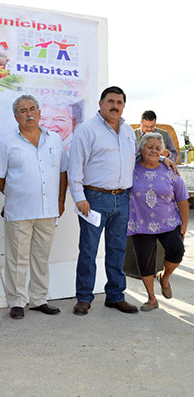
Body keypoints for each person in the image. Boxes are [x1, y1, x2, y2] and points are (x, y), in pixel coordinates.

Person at [0, 95, 68, 320]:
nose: (29, 114)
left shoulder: (55, 140)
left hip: (48, 211)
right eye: (23, 111)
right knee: (17, 258)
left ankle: (39, 299)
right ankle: (17, 301)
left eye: (33, 109)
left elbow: (62, 172)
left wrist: (61, 202)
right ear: (16, 116)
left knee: (41, 257)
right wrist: (19, 195)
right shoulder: (6, 143)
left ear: (39, 112)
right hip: (19, 212)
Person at [68, 86, 140, 315]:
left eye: (119, 102)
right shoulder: (87, 130)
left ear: (124, 106)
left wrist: (160, 158)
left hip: (122, 198)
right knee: (88, 250)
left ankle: (115, 296)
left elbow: (135, 159)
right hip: (94, 198)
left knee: (117, 249)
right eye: (110, 101)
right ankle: (84, 298)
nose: (115, 106)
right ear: (100, 103)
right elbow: (75, 166)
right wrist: (79, 198)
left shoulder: (128, 131)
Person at [128, 133, 189, 311]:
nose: (153, 150)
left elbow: (182, 199)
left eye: (157, 148)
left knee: (177, 250)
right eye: (149, 147)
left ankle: (165, 277)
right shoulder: (130, 167)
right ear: (141, 149)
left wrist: (184, 224)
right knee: (145, 262)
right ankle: (152, 299)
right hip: (140, 223)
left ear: (162, 151)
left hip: (168, 222)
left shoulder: (170, 170)